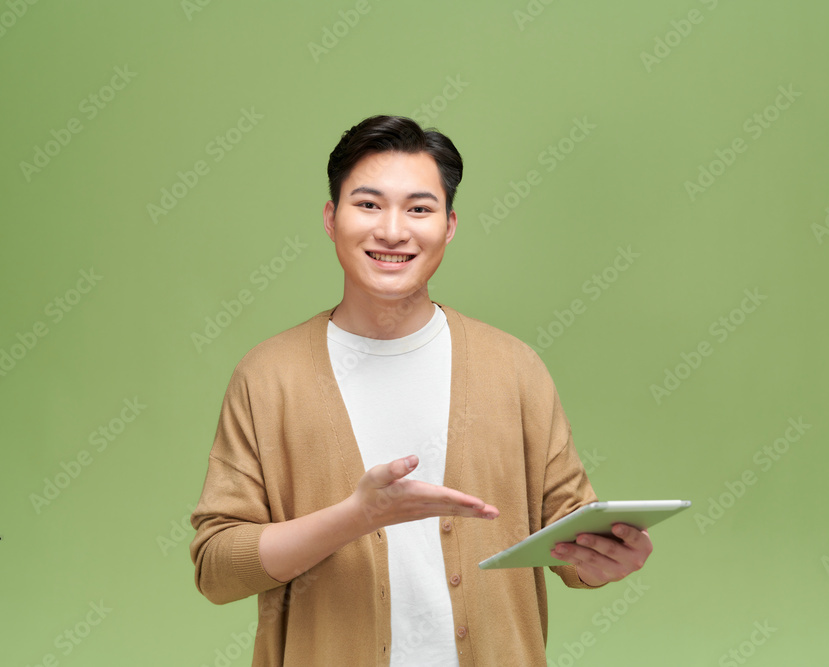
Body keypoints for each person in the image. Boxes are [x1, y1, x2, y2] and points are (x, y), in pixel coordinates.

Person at [189, 115, 653, 666]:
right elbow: (217, 568)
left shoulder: (515, 368)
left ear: (449, 225)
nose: (392, 230)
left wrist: (603, 559)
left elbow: (570, 536)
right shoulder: (268, 377)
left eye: (419, 208)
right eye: (368, 204)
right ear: (331, 219)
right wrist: (356, 516)